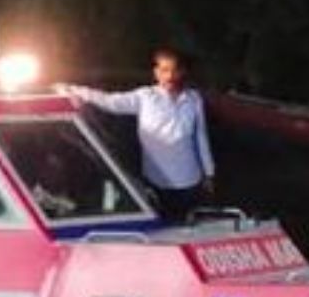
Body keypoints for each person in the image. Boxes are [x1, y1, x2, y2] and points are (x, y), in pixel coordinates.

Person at [58, 48, 216, 224]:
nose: (170, 75)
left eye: (175, 70)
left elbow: (201, 137)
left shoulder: (193, 99)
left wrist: (209, 173)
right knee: (162, 227)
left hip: (189, 180)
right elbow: (110, 102)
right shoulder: (145, 97)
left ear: (182, 72)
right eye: (164, 70)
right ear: (156, 72)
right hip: (157, 181)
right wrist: (73, 89)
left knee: (190, 226)